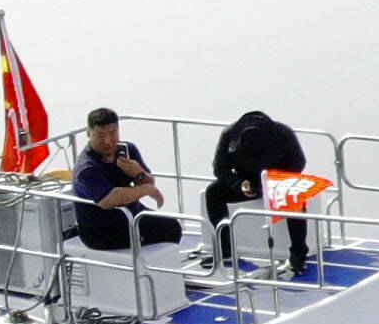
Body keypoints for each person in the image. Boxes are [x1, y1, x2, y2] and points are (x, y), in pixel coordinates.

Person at [205, 108, 310, 270]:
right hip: (247, 182)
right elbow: (220, 169)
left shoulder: (283, 134)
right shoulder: (228, 136)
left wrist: (276, 181)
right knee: (213, 192)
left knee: (295, 195)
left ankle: (299, 252)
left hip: (277, 180)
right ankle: (225, 249)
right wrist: (239, 184)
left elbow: (299, 163)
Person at [71, 108, 184, 251]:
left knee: (172, 226)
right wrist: (148, 190)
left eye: (112, 133)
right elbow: (110, 200)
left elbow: (149, 181)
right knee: (162, 231)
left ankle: (161, 268)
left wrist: (139, 173)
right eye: (100, 135)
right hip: (100, 230)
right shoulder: (86, 168)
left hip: (131, 214)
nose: (107, 141)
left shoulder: (127, 150)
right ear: (89, 134)